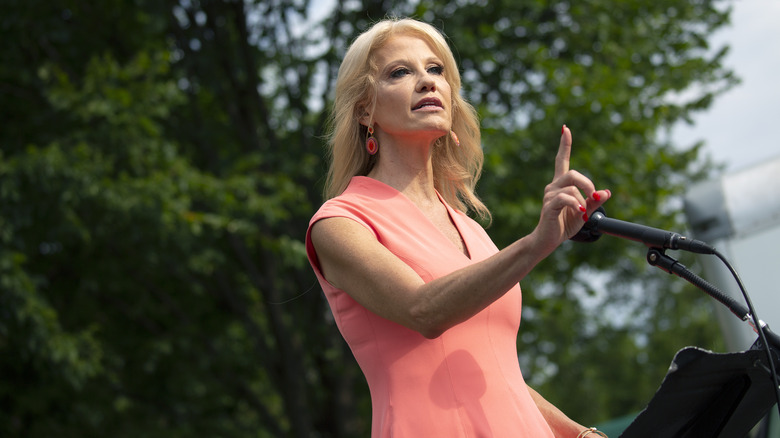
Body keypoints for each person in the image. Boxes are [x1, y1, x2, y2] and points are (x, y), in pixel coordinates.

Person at [305, 17, 611, 438]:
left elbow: (498, 376)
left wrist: (581, 434)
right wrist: (536, 244)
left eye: (436, 70)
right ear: (364, 110)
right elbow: (425, 311)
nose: (428, 82)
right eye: (400, 72)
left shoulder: (473, 231)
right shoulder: (339, 223)